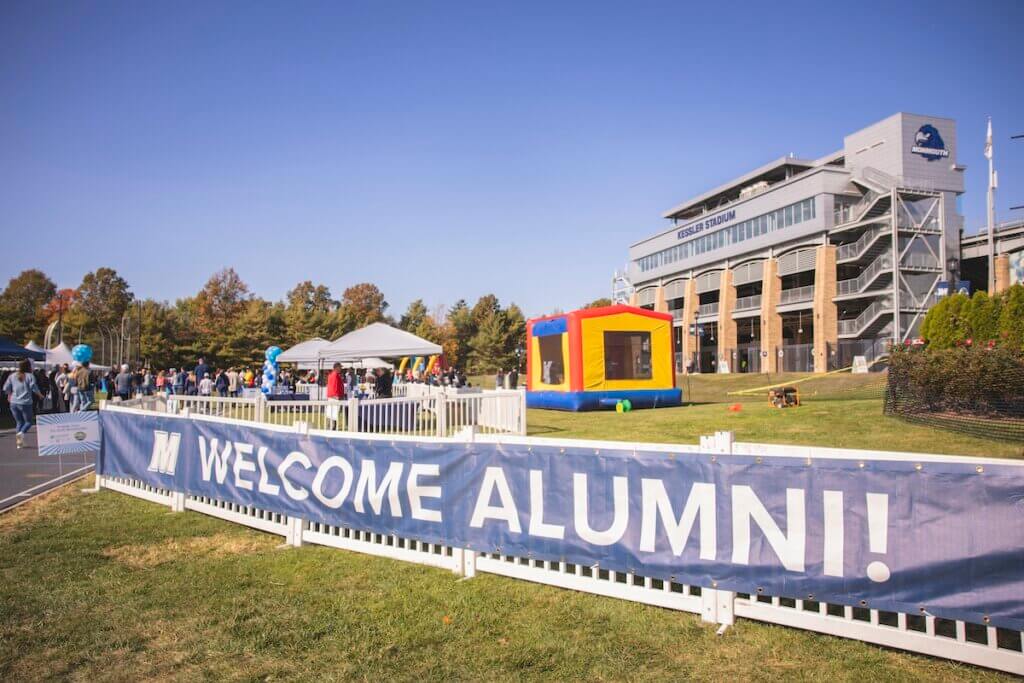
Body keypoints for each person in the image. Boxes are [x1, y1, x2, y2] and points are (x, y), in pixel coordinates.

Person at [4, 360, 44, 448]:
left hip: (13, 402)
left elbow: (6, 387)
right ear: (28, 366)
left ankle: (19, 443)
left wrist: (9, 394)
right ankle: (21, 434)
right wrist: (40, 394)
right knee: (29, 422)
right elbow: (33, 387)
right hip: (25, 402)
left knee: (19, 422)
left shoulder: (12, 376)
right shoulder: (30, 376)